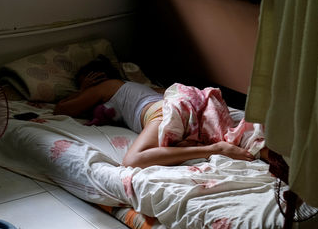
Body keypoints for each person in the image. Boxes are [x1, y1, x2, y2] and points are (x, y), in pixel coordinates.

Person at [53, 56, 256, 168]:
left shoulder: (104, 86)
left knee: (133, 160)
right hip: (189, 101)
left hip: (163, 111)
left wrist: (83, 91)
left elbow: (61, 109)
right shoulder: (136, 87)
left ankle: (215, 149)